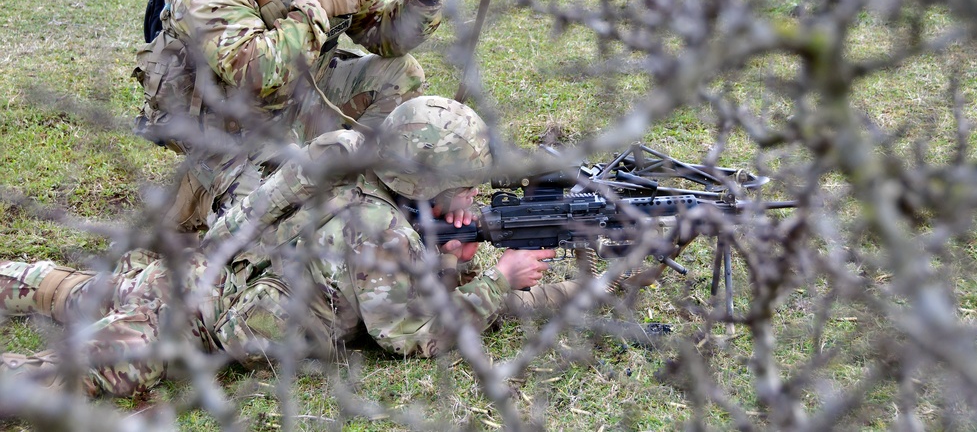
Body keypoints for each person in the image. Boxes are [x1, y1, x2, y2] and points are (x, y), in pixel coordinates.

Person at [0, 96, 577, 397]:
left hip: (194, 276)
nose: (473, 193)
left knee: (85, 294)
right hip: (184, 322)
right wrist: (499, 279)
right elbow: (407, 337)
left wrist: (454, 258)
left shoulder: (354, 166)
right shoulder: (376, 225)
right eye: (466, 181)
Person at [133, 0, 459, 231]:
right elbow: (255, 71)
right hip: (230, 130)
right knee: (278, 226)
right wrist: (323, 5)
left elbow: (386, 37)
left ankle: (368, 188)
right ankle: (200, 192)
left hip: (296, 103)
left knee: (399, 73)